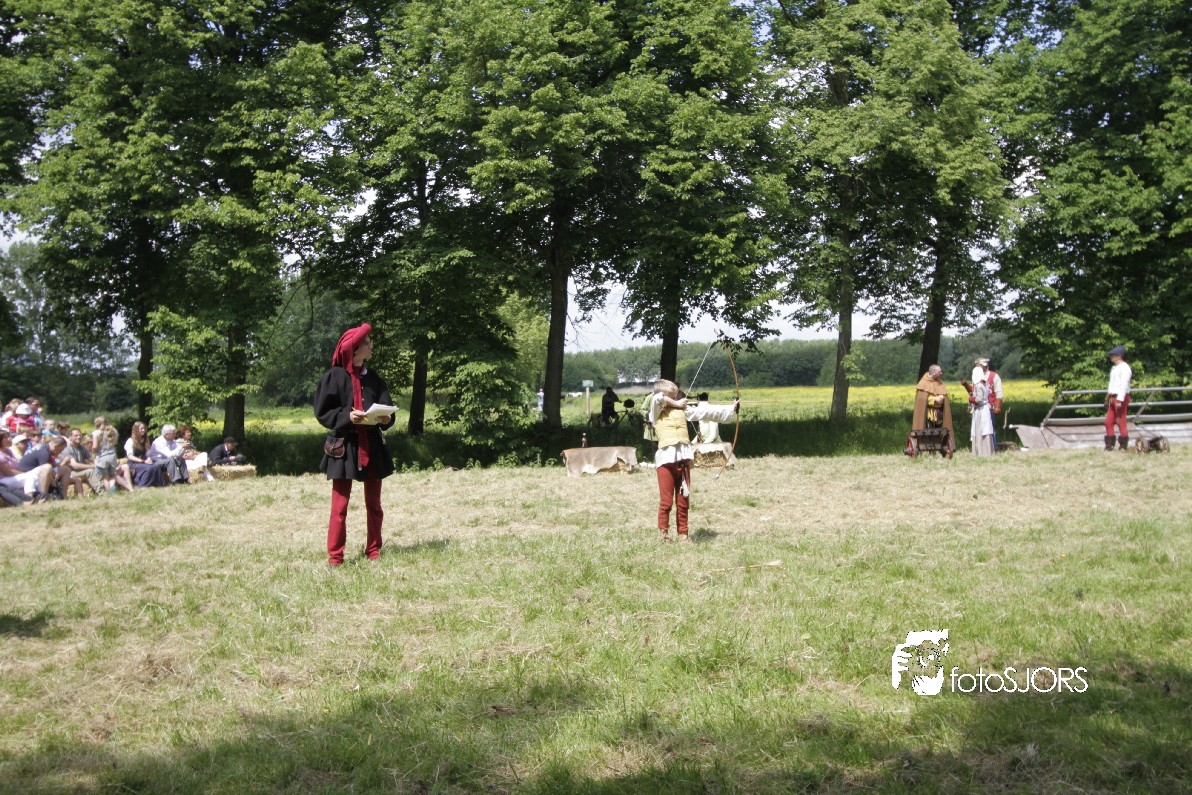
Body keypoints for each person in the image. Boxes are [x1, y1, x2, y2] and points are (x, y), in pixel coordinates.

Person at [314, 324, 396, 565]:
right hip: (345, 446)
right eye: (367, 343)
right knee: (339, 507)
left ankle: (374, 550)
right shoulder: (334, 377)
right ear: (355, 349)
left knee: (374, 504)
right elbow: (323, 412)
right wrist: (347, 416)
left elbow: (387, 408)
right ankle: (335, 557)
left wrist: (387, 419)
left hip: (372, 445)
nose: (371, 346)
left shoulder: (374, 378)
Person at [648, 379, 739, 542]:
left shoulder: (683, 410)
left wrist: (731, 408)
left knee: (683, 501)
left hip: (683, 461)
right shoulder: (656, 411)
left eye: (676, 396)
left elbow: (706, 412)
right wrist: (677, 403)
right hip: (665, 463)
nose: (675, 398)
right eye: (672, 396)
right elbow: (657, 398)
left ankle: (683, 534)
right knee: (666, 502)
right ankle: (664, 534)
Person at [910, 365, 955, 457]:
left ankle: (940, 447)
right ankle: (927, 449)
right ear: (934, 372)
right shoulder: (923, 383)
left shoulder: (940, 383)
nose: (941, 373)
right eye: (940, 371)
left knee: (939, 430)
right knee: (928, 430)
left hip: (939, 414)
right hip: (928, 414)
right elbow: (921, 399)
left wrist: (941, 398)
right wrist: (934, 399)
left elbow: (944, 397)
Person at [0, 430, 54, 501]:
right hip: (4, 480)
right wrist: (26, 473)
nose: (9, 439)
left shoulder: (8, 451)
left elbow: (17, 467)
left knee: (45, 468)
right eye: (6, 437)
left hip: (14, 476)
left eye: (9, 436)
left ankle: (43, 494)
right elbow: (8, 472)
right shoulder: (1, 455)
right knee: (30, 476)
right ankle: (30, 498)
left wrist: (26, 472)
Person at [91, 417, 134, 493]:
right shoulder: (112, 431)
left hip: (102, 458)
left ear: (97, 424)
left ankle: (110, 493)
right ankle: (128, 488)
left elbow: (95, 446)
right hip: (112, 456)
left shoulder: (96, 433)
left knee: (105, 478)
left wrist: (93, 450)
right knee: (113, 475)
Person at [1105, 344, 1133, 451]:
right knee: (1108, 422)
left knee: (1121, 421)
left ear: (1119, 356)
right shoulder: (1115, 368)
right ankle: (1109, 446)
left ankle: (1123, 446)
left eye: (1113, 355)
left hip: (1120, 397)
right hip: (1113, 396)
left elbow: (1124, 385)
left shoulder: (1125, 368)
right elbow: (1112, 384)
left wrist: (1120, 400)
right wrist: (1108, 395)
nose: (1111, 357)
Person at [124, 421, 167, 488]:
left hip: (144, 462)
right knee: (149, 468)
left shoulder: (144, 440)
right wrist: (143, 461)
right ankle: (142, 485)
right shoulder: (130, 441)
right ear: (136, 430)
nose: (143, 430)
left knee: (156, 466)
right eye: (141, 429)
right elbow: (130, 456)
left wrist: (149, 459)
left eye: (144, 428)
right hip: (133, 464)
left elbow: (148, 453)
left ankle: (159, 484)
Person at [61, 428, 101, 496]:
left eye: (80, 435)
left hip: (79, 471)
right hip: (69, 473)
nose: (79, 437)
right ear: (70, 437)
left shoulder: (81, 447)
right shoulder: (67, 449)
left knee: (101, 470)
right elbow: (75, 466)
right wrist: (93, 466)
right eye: (76, 435)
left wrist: (100, 464)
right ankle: (102, 492)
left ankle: (107, 488)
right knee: (90, 472)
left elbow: (92, 458)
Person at [968, 373, 995, 456]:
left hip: (981, 410)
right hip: (985, 409)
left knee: (981, 430)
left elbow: (979, 399)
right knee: (985, 430)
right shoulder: (985, 384)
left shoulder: (979, 385)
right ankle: (987, 451)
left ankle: (981, 452)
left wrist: (971, 399)